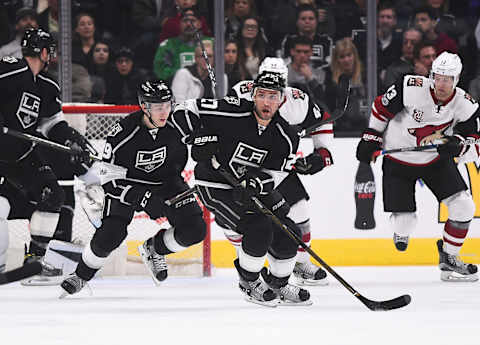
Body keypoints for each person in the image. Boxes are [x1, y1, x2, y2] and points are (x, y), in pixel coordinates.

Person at [171, 71, 313, 306]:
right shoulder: (232, 110)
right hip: (214, 183)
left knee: (290, 232)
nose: (267, 102)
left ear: (281, 100)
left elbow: (275, 175)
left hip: (251, 188)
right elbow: (184, 108)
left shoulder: (286, 136)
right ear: (253, 95)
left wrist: (257, 184)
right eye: (262, 95)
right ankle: (249, 282)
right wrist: (196, 137)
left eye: (273, 96)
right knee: (259, 227)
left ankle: (278, 284)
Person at [60, 80, 207, 296]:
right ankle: (81, 275)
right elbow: (108, 179)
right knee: (111, 234)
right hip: (129, 185)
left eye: (167, 105)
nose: (164, 112)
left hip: (167, 182)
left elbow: (206, 137)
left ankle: (155, 249)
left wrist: (207, 149)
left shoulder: (177, 124)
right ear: (144, 107)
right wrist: (143, 198)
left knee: (196, 229)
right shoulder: (123, 133)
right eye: (158, 107)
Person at [356, 52, 479, 282]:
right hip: (398, 161)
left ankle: (449, 258)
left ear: (457, 79)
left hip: (435, 161)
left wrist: (459, 145)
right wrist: (371, 137)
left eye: (448, 79)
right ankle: (401, 230)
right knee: (405, 223)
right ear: (431, 75)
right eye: (438, 77)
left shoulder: (465, 104)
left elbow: (473, 139)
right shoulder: (410, 86)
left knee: (464, 206)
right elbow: (380, 108)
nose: (442, 84)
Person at [228, 57, 331, 286]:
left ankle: (301, 264)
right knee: (238, 219)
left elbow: (323, 120)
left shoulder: (297, 100)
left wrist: (321, 154)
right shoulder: (240, 93)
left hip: (277, 169)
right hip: (242, 169)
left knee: (300, 210)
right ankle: (247, 266)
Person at [0, 28, 92, 278]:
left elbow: (52, 124)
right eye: (50, 50)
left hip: (22, 155)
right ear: (43, 52)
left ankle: (37, 258)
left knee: (53, 195)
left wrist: (70, 138)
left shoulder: (47, 85)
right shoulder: (9, 70)